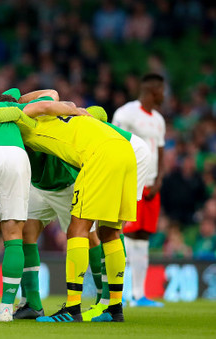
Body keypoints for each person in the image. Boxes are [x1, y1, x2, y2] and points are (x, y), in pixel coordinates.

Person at [0, 104, 136, 323]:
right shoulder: (69, 117)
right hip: (124, 150)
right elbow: (100, 112)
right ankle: (114, 308)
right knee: (110, 232)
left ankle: (72, 309)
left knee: (78, 230)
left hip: (99, 157)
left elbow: (15, 112)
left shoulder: (32, 125)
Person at [112, 73, 166, 307]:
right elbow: (115, 144)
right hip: (132, 181)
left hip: (152, 185)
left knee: (143, 236)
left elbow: (160, 152)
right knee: (122, 233)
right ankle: (118, 292)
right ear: (153, 90)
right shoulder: (125, 114)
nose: (164, 95)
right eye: (162, 90)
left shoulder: (158, 119)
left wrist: (159, 180)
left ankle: (139, 294)